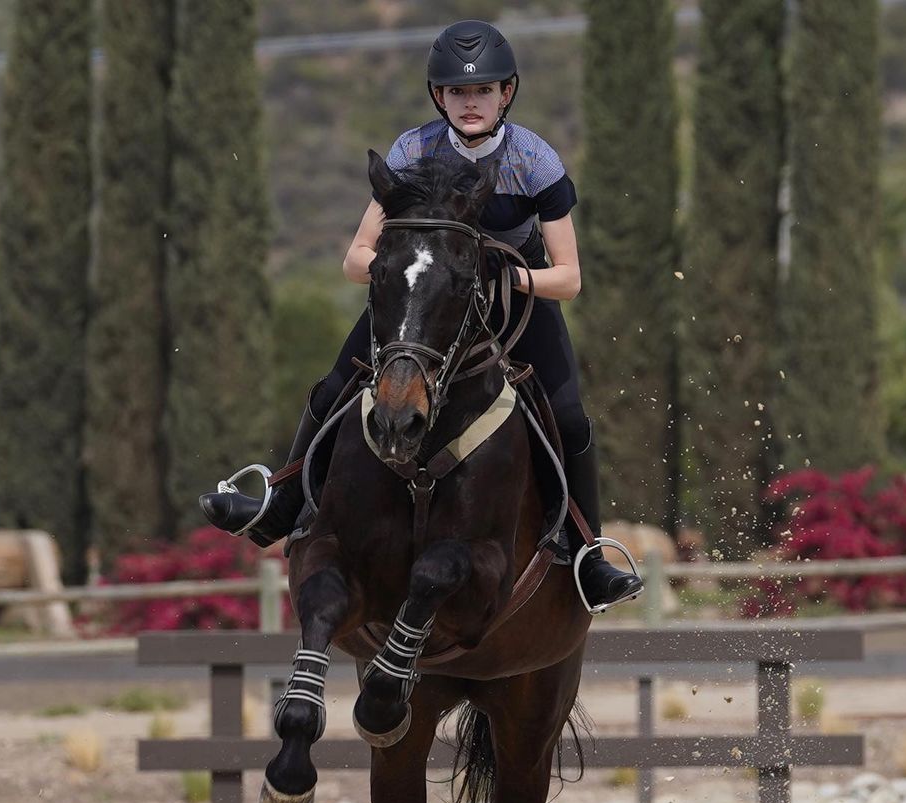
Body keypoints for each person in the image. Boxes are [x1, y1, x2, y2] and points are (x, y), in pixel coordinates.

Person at [201, 19, 642, 612]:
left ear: (506, 93)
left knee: (570, 418)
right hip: (427, 303)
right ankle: (281, 505)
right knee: (334, 386)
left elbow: (569, 278)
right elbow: (357, 258)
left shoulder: (535, 161)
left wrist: (500, 277)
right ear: (440, 96)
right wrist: (406, 268)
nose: (470, 102)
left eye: (483, 91)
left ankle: (586, 553)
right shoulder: (412, 152)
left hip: (513, 299)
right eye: (458, 93)